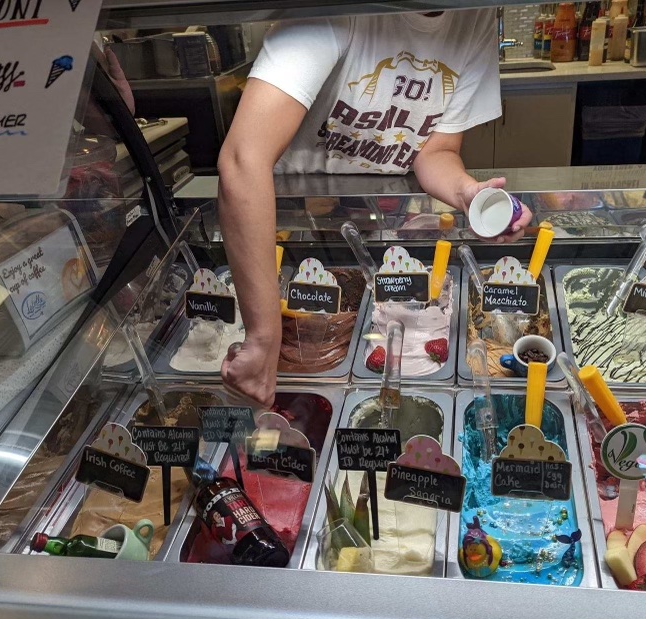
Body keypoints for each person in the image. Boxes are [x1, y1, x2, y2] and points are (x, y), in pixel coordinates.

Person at [218, 10, 530, 406]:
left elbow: (436, 150)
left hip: (384, 232)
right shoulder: (343, 12)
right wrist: (263, 336)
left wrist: (464, 191)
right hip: (284, 233)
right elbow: (244, 159)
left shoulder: (474, 13)